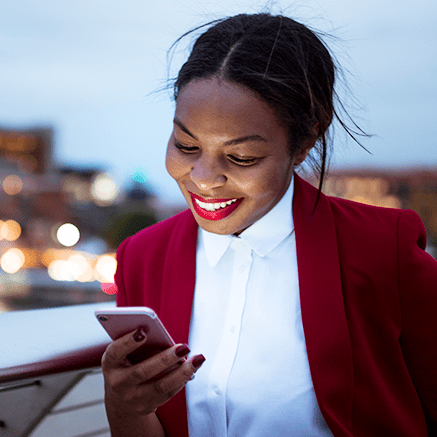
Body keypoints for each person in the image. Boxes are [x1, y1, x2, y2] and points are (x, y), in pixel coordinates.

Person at [101, 13, 437, 437]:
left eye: (242, 157)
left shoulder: (381, 250)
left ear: (306, 141)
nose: (203, 177)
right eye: (186, 145)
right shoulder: (141, 257)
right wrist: (125, 407)